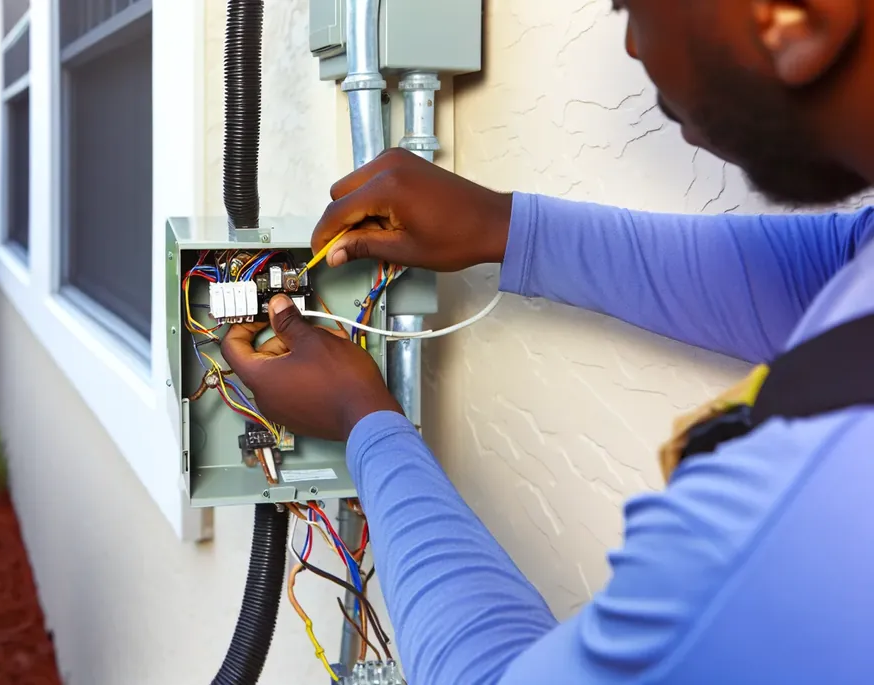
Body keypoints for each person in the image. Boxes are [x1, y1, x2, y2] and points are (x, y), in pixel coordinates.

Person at [222, 1, 874, 683]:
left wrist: (362, 419)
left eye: (632, 6)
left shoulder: (802, 504)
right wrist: (505, 225)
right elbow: (823, 268)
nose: (630, 44)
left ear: (792, 14)